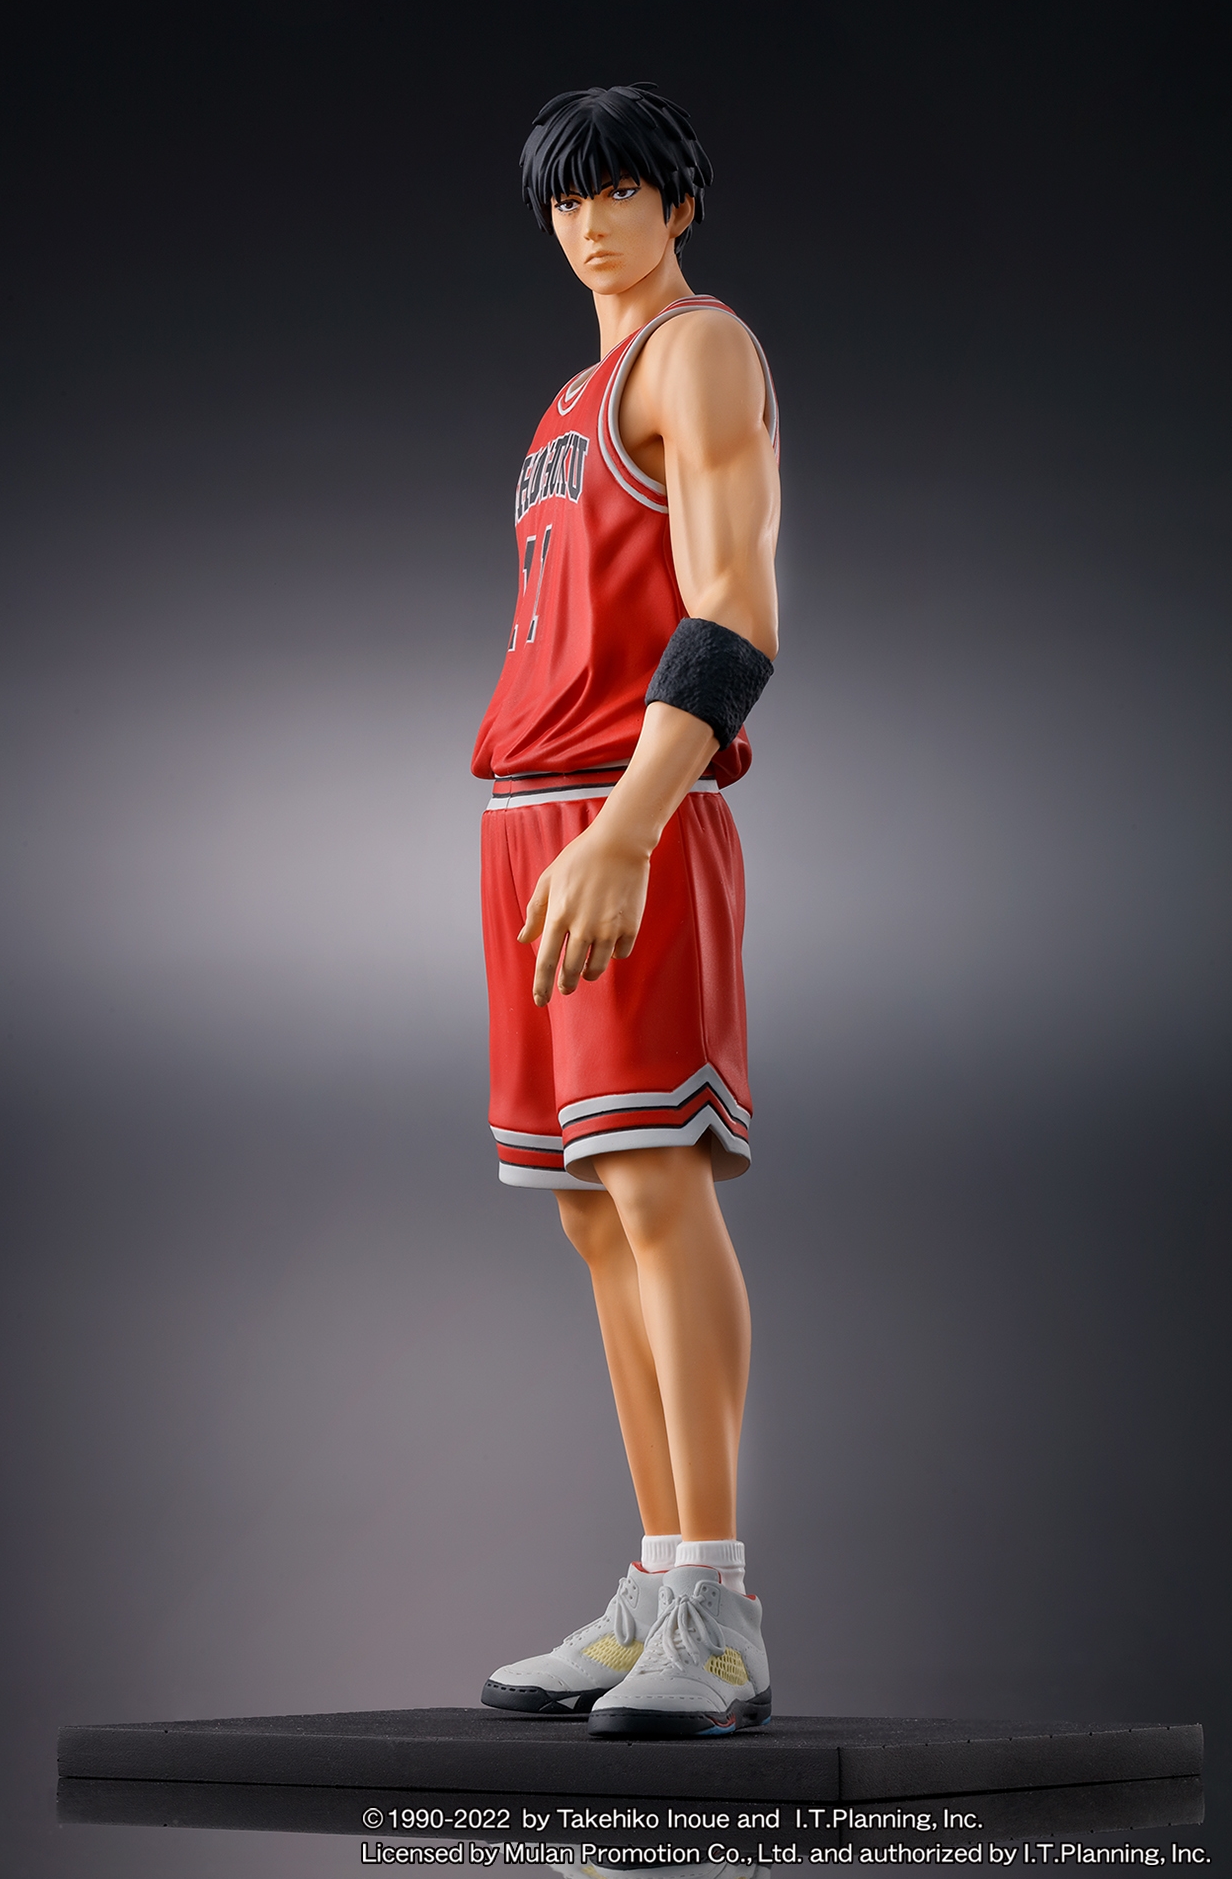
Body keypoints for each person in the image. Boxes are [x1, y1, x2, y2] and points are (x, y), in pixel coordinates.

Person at [472, 84, 780, 1738]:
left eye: (625, 191)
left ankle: (721, 1607)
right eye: (569, 199)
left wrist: (628, 830)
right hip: (528, 818)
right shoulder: (567, 399)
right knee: (593, 1207)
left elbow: (734, 613)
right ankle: (659, 1579)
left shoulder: (698, 352)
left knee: (658, 1181)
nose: (594, 222)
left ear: (679, 205)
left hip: (624, 808)